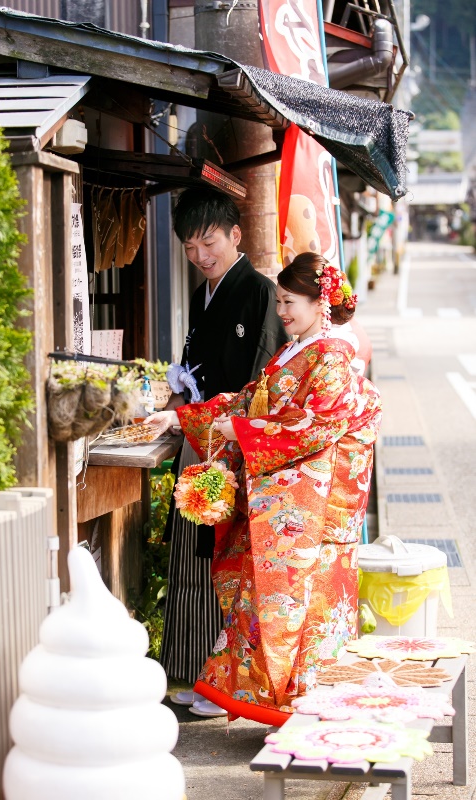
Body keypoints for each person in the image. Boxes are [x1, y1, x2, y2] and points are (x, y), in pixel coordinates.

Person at [147, 253, 382, 726]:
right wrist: (181, 415)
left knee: (303, 605)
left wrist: (246, 431)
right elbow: (250, 398)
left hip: (315, 507)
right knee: (265, 601)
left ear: (320, 304)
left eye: (290, 302)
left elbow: (314, 427)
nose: (282, 312)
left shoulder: (331, 357)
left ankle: (306, 702)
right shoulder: (298, 350)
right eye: (279, 302)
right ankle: (247, 689)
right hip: (287, 501)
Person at [160, 188, 288, 717]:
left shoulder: (259, 293)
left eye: (208, 242)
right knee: (191, 555)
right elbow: (196, 371)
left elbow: (257, 384)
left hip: (232, 448)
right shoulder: (202, 295)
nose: (200, 257)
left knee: (226, 562)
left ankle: (226, 684)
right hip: (200, 440)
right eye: (189, 248)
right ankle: (192, 674)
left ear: (236, 235)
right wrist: (176, 395)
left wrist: (211, 417)